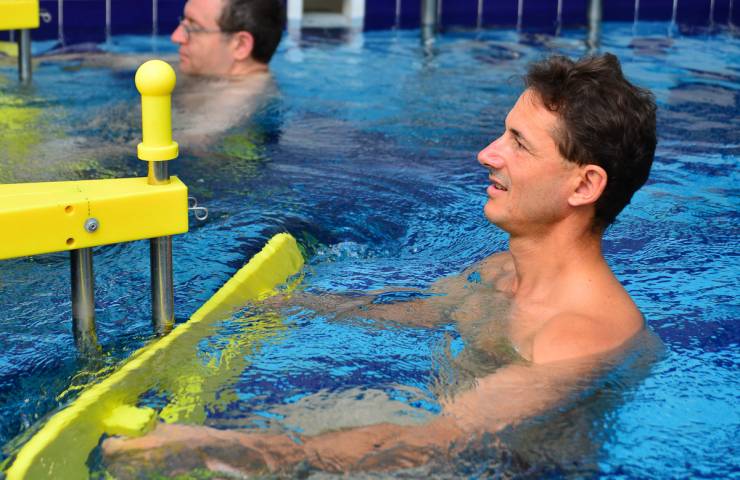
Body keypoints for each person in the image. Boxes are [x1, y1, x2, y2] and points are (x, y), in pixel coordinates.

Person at [102, 53, 658, 477]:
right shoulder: (499, 270)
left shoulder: (576, 338)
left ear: (584, 185)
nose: (488, 154)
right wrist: (298, 304)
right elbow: (430, 311)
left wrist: (221, 447)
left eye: (519, 143)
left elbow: (439, 442)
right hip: (445, 436)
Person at [171, 0, 286, 78]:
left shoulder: (234, 104)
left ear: (240, 45)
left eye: (194, 28)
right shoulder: (211, 74)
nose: (175, 37)